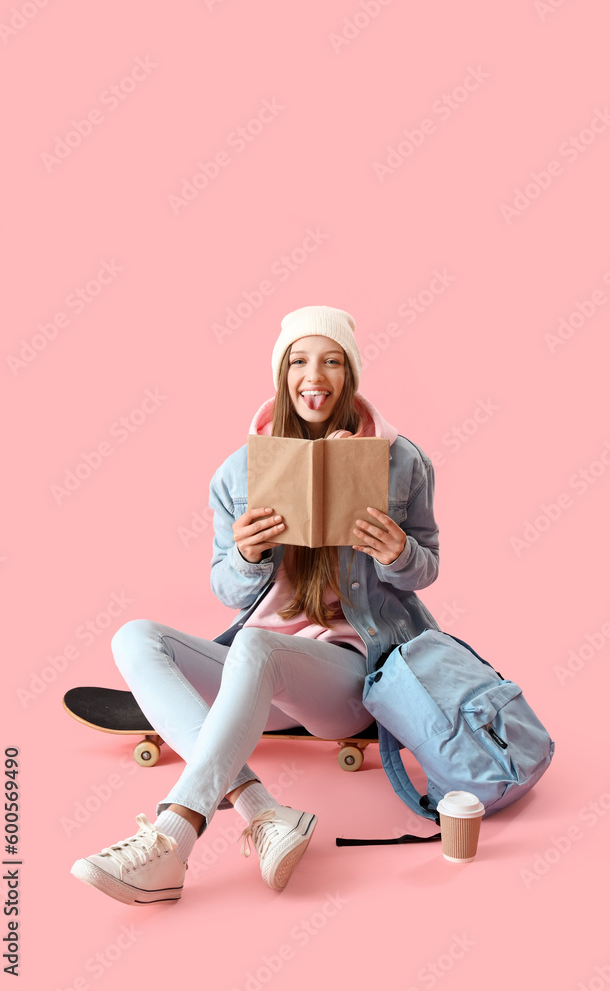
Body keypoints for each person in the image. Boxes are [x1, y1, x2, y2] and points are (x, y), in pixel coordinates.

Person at [70, 305, 442, 905]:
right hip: (255, 677)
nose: (313, 375)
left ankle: (172, 841)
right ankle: (264, 811)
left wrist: (399, 553)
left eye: (331, 360)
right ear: (282, 373)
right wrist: (245, 555)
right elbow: (227, 589)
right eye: (298, 360)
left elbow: (427, 565)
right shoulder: (237, 472)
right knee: (135, 637)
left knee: (257, 644)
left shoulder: (401, 460)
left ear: (349, 373)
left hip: (348, 677)